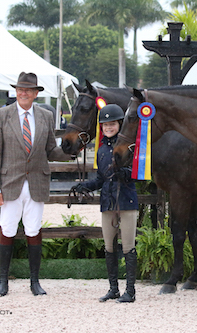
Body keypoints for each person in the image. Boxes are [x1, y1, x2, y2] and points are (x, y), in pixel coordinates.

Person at [0, 72, 73, 297]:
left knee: (34, 230)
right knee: (7, 229)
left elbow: (50, 150)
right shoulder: (1, 115)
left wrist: (70, 152)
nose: (23, 93)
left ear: (36, 93)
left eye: (28, 90)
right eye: (19, 89)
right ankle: (3, 281)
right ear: (16, 92)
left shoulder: (45, 115)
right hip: (9, 183)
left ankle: (35, 282)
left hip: (36, 182)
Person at [71, 104, 138, 303]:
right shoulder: (101, 150)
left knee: (128, 246)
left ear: (119, 124)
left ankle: (131, 291)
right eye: (105, 125)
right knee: (109, 246)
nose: (108, 127)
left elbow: (136, 174)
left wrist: (123, 173)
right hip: (108, 202)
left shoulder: (128, 146)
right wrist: (85, 186)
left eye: (112, 124)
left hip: (126, 201)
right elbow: (101, 178)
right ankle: (113, 288)